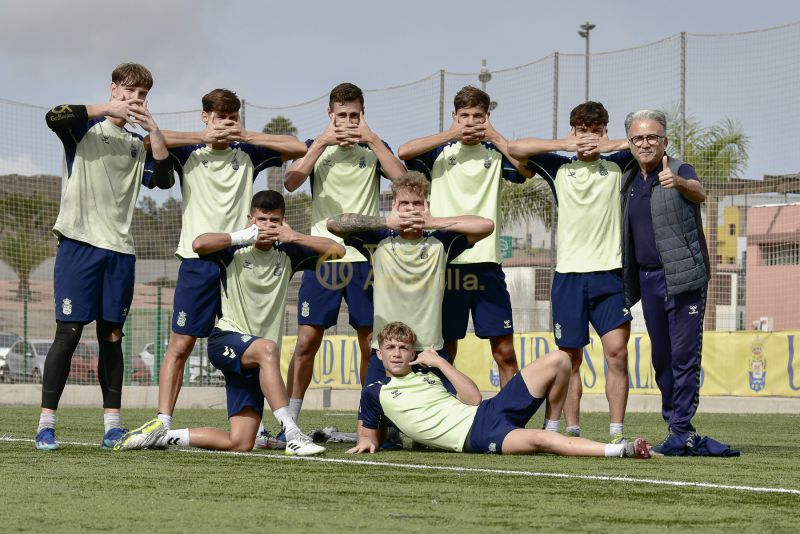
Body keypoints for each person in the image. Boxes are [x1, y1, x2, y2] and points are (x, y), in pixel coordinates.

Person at [118, 89, 306, 450]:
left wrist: (246, 135)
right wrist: (200, 138)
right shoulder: (189, 150)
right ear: (205, 117)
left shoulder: (247, 151)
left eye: (233, 118)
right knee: (182, 342)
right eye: (221, 118)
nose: (227, 125)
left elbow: (296, 147)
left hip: (241, 261)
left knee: (252, 342)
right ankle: (163, 420)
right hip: (199, 259)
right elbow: (149, 140)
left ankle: (257, 425)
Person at [115, 191, 343, 455]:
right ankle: (292, 433)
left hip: (255, 361)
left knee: (240, 442)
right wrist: (242, 235)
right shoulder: (233, 249)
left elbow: (338, 251)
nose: (267, 226)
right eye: (262, 219)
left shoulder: (289, 252)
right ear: (250, 219)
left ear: (283, 222)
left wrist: (295, 236)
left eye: (274, 220)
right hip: (227, 339)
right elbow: (198, 243)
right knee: (268, 349)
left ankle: (160, 437)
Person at [35, 63, 174, 450]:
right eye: (129, 91)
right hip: (78, 243)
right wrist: (104, 109)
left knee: (112, 336)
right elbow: (53, 115)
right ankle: (46, 424)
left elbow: (163, 180)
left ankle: (112, 426)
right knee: (70, 332)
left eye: (142, 94)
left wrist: (155, 132)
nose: (135, 99)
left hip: (120, 252)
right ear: (113, 89)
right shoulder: (83, 129)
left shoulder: (135, 144)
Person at [280, 82, 406, 441]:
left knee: (370, 342)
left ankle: (372, 421)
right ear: (330, 115)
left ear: (362, 115)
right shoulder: (315, 148)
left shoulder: (373, 149)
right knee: (306, 341)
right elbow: (290, 182)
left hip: (365, 260)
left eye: (354, 116)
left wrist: (374, 140)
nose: (348, 123)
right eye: (342, 116)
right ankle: (290, 421)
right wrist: (321, 142)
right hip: (323, 257)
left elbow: (403, 181)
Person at [508, 101, 635, 444]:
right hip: (568, 278)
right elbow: (514, 149)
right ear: (573, 131)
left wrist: (615, 145)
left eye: (595, 131)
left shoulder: (620, 163)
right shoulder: (558, 166)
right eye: (582, 130)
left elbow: (651, 143)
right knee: (570, 360)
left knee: (617, 354)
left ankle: (616, 432)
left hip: (609, 274)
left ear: (605, 132)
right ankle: (573, 431)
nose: (588, 137)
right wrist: (562, 144)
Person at [347, 322, 651, 459]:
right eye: (390, 348)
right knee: (542, 441)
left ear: (413, 351)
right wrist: (365, 441)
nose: (398, 353)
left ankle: (555, 424)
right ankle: (620, 450)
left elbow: (473, 398)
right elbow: (367, 434)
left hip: (487, 411)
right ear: (379, 354)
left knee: (560, 359)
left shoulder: (429, 370)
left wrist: (440, 362)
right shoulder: (375, 391)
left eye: (404, 347)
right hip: (476, 437)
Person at [398, 86, 532, 388]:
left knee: (505, 351)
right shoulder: (440, 151)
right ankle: (443, 412)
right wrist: (450, 134)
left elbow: (526, 169)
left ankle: (508, 419)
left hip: (487, 265)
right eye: (464, 116)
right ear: (454, 117)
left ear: (487, 117)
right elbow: (404, 152)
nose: (470, 122)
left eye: (477, 116)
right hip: (445, 265)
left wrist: (495, 135)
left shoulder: (496, 152)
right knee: (444, 348)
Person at [326, 170, 494, 387]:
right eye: (404, 203)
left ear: (426, 205)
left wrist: (433, 222)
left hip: (429, 351)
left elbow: (486, 225)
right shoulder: (378, 239)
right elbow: (334, 223)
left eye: (417, 203)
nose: (410, 209)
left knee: (441, 417)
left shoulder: (441, 241)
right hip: (386, 351)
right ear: (395, 205)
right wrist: (387, 221)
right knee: (371, 421)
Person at [621, 110, 711, 455]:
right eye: (638, 138)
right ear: (630, 143)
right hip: (648, 280)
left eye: (652, 137)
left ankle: (682, 430)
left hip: (683, 277)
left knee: (684, 356)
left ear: (665, 141)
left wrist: (681, 183)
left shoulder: (679, 169)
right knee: (662, 358)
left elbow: (700, 192)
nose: (645, 144)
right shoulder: (629, 178)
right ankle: (673, 425)